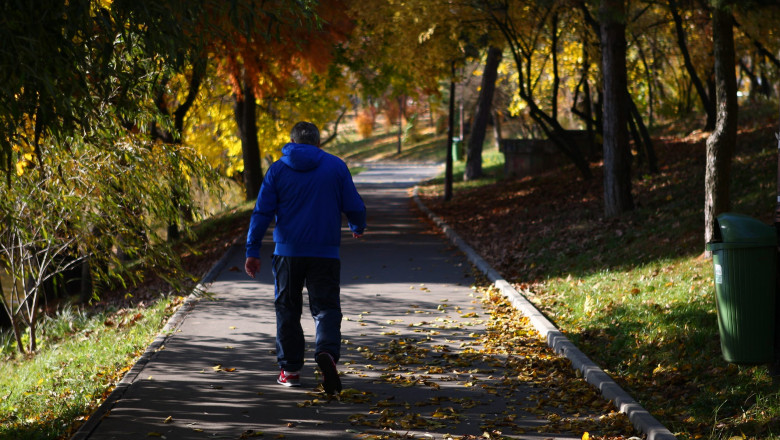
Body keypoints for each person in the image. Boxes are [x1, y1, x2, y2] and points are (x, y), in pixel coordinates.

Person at [244, 121, 366, 395]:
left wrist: (252, 251)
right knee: (326, 309)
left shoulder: (277, 169)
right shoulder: (335, 166)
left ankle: (290, 371)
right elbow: (354, 204)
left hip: (287, 253)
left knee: (287, 308)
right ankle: (327, 354)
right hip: (325, 252)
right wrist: (357, 226)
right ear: (318, 142)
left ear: (292, 142)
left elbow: (261, 212)